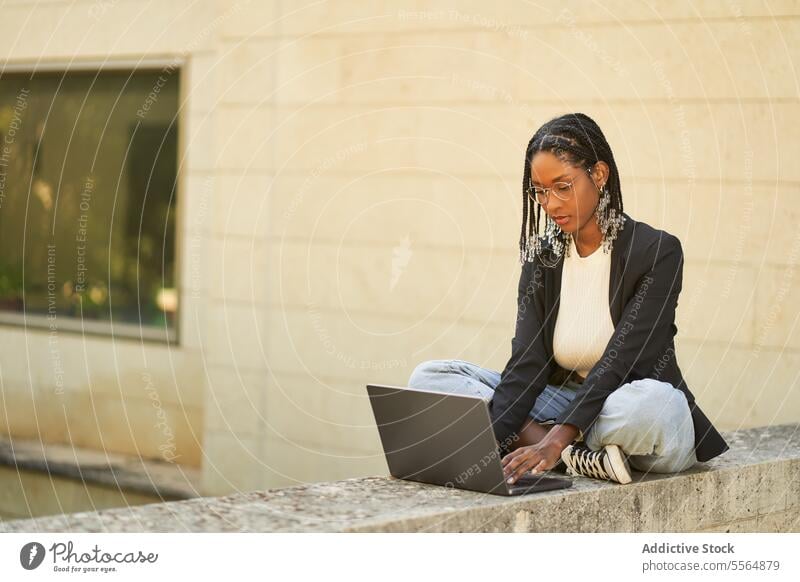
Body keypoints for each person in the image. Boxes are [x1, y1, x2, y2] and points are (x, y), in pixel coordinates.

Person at [408, 113, 729, 486]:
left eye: (562, 186)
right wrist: (490, 443)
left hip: (625, 404)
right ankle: (581, 456)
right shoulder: (543, 258)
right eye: (540, 191)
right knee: (431, 378)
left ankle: (557, 446)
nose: (550, 203)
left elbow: (618, 361)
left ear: (599, 175)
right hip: (561, 399)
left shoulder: (656, 252)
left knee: (651, 406)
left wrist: (554, 438)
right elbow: (527, 361)